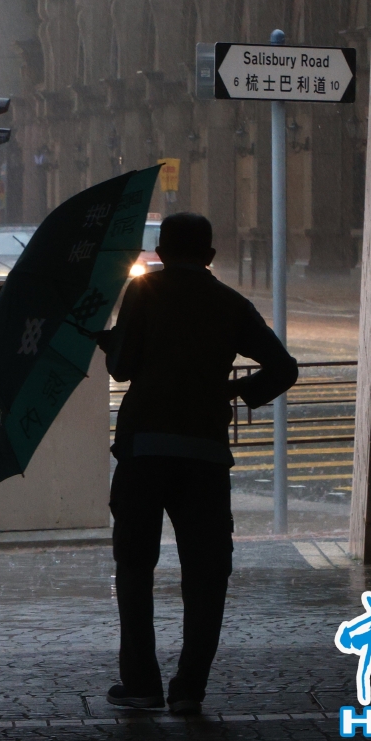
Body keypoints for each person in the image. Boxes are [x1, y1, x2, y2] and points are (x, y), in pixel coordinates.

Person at [96, 212, 297, 715]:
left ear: (161, 253)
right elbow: (283, 367)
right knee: (207, 574)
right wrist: (234, 390)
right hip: (204, 455)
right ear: (210, 256)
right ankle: (189, 689)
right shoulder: (230, 303)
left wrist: (113, 341)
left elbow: (122, 367)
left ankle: (141, 683)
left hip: (144, 451)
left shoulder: (143, 293)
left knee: (135, 566)